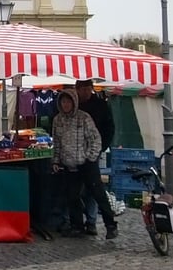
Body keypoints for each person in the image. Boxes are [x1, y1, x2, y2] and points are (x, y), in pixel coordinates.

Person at [51, 88, 118, 240]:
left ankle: (111, 225)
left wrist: (90, 157)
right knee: (72, 196)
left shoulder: (84, 118)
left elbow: (96, 139)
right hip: (69, 164)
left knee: (98, 194)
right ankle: (77, 226)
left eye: (68, 101)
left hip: (87, 163)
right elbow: (56, 142)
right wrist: (56, 160)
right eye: (63, 101)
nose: (66, 104)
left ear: (74, 102)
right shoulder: (58, 120)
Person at [75, 79, 115, 235]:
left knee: (94, 189)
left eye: (88, 89)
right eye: (82, 89)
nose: (85, 92)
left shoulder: (100, 105)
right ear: (77, 89)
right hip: (73, 155)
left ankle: (93, 222)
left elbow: (109, 127)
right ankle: (76, 223)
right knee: (75, 190)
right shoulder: (71, 103)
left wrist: (100, 148)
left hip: (92, 154)